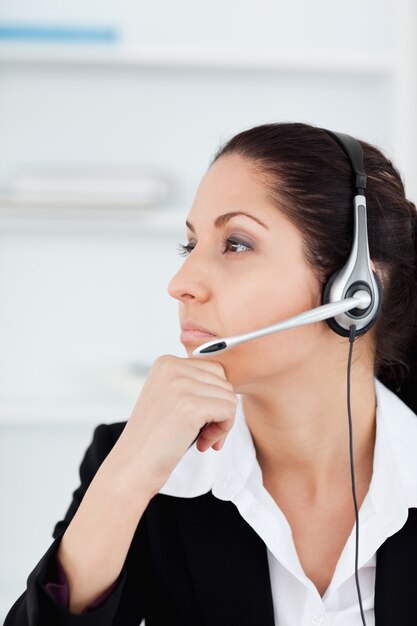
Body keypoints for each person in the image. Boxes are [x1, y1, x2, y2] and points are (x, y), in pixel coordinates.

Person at [4, 121, 417, 626]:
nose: (181, 284)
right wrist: (126, 477)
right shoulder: (143, 465)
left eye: (236, 244)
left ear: (356, 291)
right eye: (189, 245)